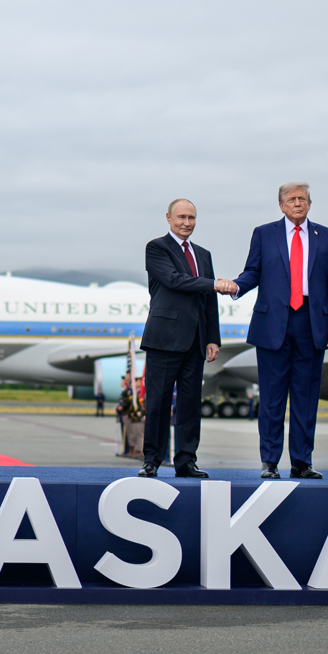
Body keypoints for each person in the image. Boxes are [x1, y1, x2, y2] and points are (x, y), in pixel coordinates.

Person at [218, 182, 328, 480]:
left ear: (310, 204)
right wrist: (236, 286)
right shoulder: (264, 233)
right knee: (272, 398)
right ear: (281, 205)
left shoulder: (325, 236)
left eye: (302, 199)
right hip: (273, 323)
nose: (297, 203)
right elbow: (253, 272)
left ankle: (302, 462)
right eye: (292, 199)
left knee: (305, 396)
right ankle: (270, 462)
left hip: (311, 325)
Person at [138, 198, 221, 479]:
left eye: (192, 218)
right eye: (181, 217)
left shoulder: (204, 254)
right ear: (168, 218)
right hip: (164, 338)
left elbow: (209, 301)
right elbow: (174, 280)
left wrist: (213, 338)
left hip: (196, 341)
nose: (187, 223)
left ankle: (186, 461)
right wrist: (214, 283)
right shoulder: (157, 248)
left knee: (189, 404)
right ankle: (152, 460)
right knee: (158, 402)